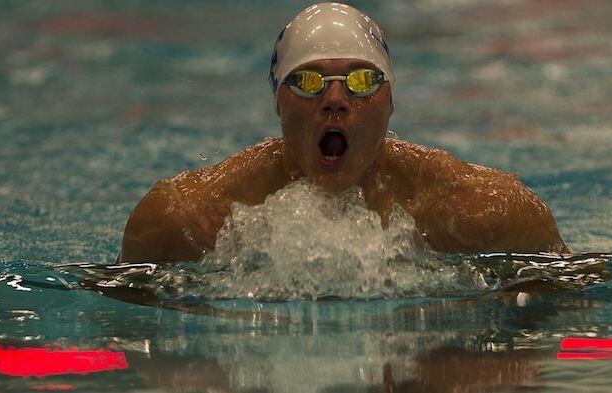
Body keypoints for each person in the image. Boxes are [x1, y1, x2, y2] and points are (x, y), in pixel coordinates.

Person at [118, 2, 569, 263]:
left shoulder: (484, 213)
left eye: (362, 81)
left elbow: (570, 314)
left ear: (390, 101)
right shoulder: (184, 222)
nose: (335, 99)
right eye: (308, 81)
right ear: (278, 102)